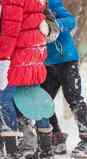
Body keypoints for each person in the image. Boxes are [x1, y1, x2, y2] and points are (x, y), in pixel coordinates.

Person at [40, 0, 87, 158]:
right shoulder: (27, 8)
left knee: (73, 98)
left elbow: (71, 21)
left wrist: (54, 23)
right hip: (45, 62)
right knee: (43, 101)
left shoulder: (51, 3)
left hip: (66, 59)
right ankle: (56, 137)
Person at [0, 0, 54, 158]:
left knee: (3, 98)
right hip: (34, 56)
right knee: (33, 98)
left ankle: (12, 148)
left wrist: (3, 59)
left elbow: (10, 31)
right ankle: (46, 146)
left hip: (17, 57)